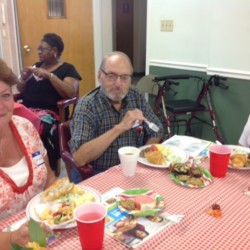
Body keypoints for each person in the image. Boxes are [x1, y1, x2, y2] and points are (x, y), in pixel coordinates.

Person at [69, 51, 163, 181]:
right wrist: (120, 128)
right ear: (99, 75)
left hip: (134, 168)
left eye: (125, 77)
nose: (118, 84)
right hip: (100, 174)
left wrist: (142, 157)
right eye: (111, 76)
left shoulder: (135, 96)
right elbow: (79, 158)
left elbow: (157, 129)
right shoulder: (87, 106)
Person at [0, 58, 56, 249]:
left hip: (44, 233)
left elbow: (49, 177)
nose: (1, 106)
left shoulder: (25, 127)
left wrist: (60, 208)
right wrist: (12, 238)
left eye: (5, 95)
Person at [16, 33, 82, 174]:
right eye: (38, 49)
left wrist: (50, 76)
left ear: (55, 50)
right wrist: (23, 77)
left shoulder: (67, 69)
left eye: (43, 49)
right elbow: (20, 89)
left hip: (50, 114)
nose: (39, 52)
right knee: (11, 122)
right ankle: (20, 163)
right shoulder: (37, 65)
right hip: (27, 109)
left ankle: (48, 168)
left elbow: (70, 93)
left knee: (44, 127)